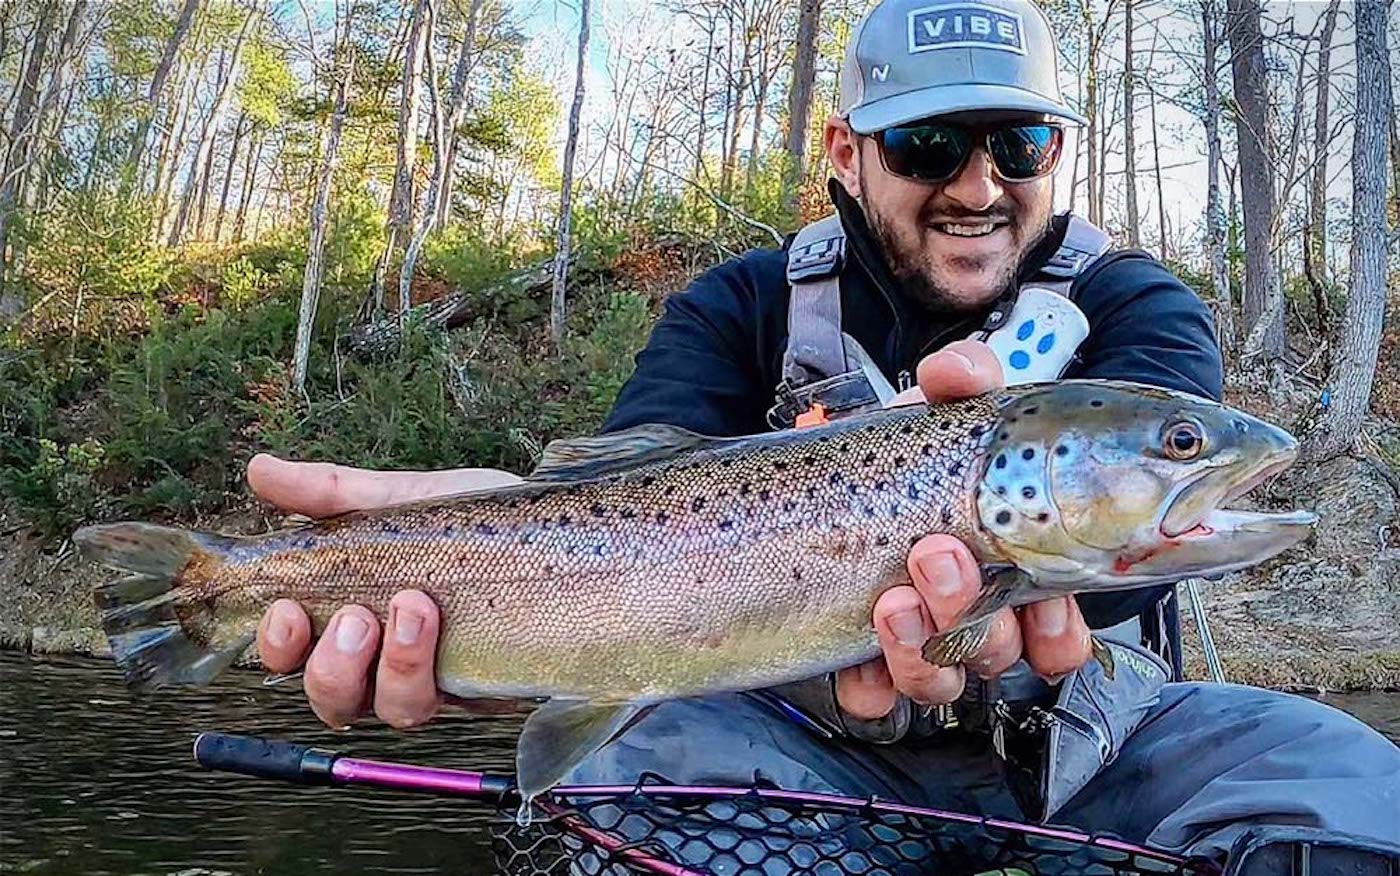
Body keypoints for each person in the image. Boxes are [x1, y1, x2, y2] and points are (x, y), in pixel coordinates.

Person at [246, 0, 1400, 866]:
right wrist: (477, 559)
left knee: (1358, 793)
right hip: (788, 740)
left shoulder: (1136, 306)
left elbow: (1117, 563)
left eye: (1018, 144)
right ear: (846, 154)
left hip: (1096, 738)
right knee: (623, 786)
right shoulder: (735, 305)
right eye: (928, 147)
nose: (978, 184)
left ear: (1058, 152)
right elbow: (626, 502)